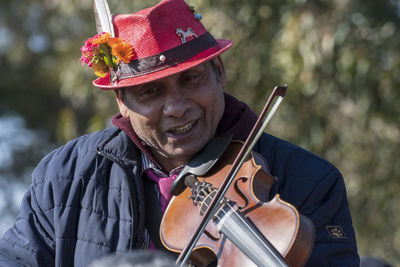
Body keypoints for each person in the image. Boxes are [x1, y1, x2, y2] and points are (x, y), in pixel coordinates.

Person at [0, 0, 359, 266]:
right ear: (121, 101)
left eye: (191, 79)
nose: (177, 106)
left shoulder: (311, 183)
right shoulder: (63, 177)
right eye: (151, 91)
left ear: (218, 71)